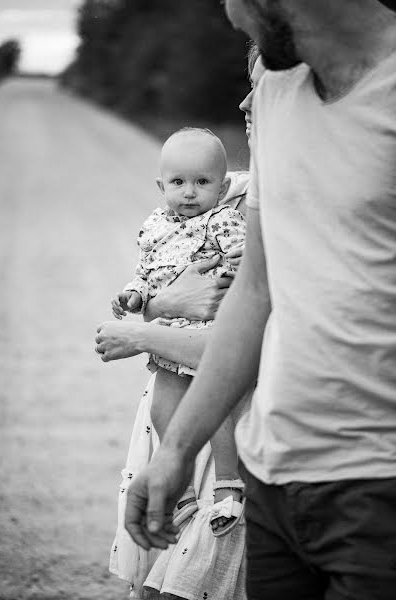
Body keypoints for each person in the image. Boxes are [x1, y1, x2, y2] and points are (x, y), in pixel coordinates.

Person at [121, 2, 396, 600]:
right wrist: (176, 450)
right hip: (272, 479)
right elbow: (254, 291)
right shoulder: (274, 93)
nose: (231, 13)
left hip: (377, 487)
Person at [97, 47, 265, 600]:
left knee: (192, 586)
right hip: (174, 408)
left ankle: (226, 487)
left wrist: (140, 332)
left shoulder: (258, 212)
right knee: (155, 580)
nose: (244, 99)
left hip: (235, 417)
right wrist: (156, 305)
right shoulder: (239, 189)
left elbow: (245, 334)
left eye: (263, 81)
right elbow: (161, 283)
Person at [111, 127, 246, 535]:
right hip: (169, 336)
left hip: (210, 334)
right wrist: (133, 297)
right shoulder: (154, 225)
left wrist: (239, 263)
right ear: (161, 185)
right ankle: (182, 489)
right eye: (178, 183)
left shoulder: (223, 219)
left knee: (217, 410)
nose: (189, 192)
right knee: (162, 409)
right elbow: (145, 274)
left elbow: (246, 258)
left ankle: (228, 485)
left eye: (202, 182)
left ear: (222, 187)